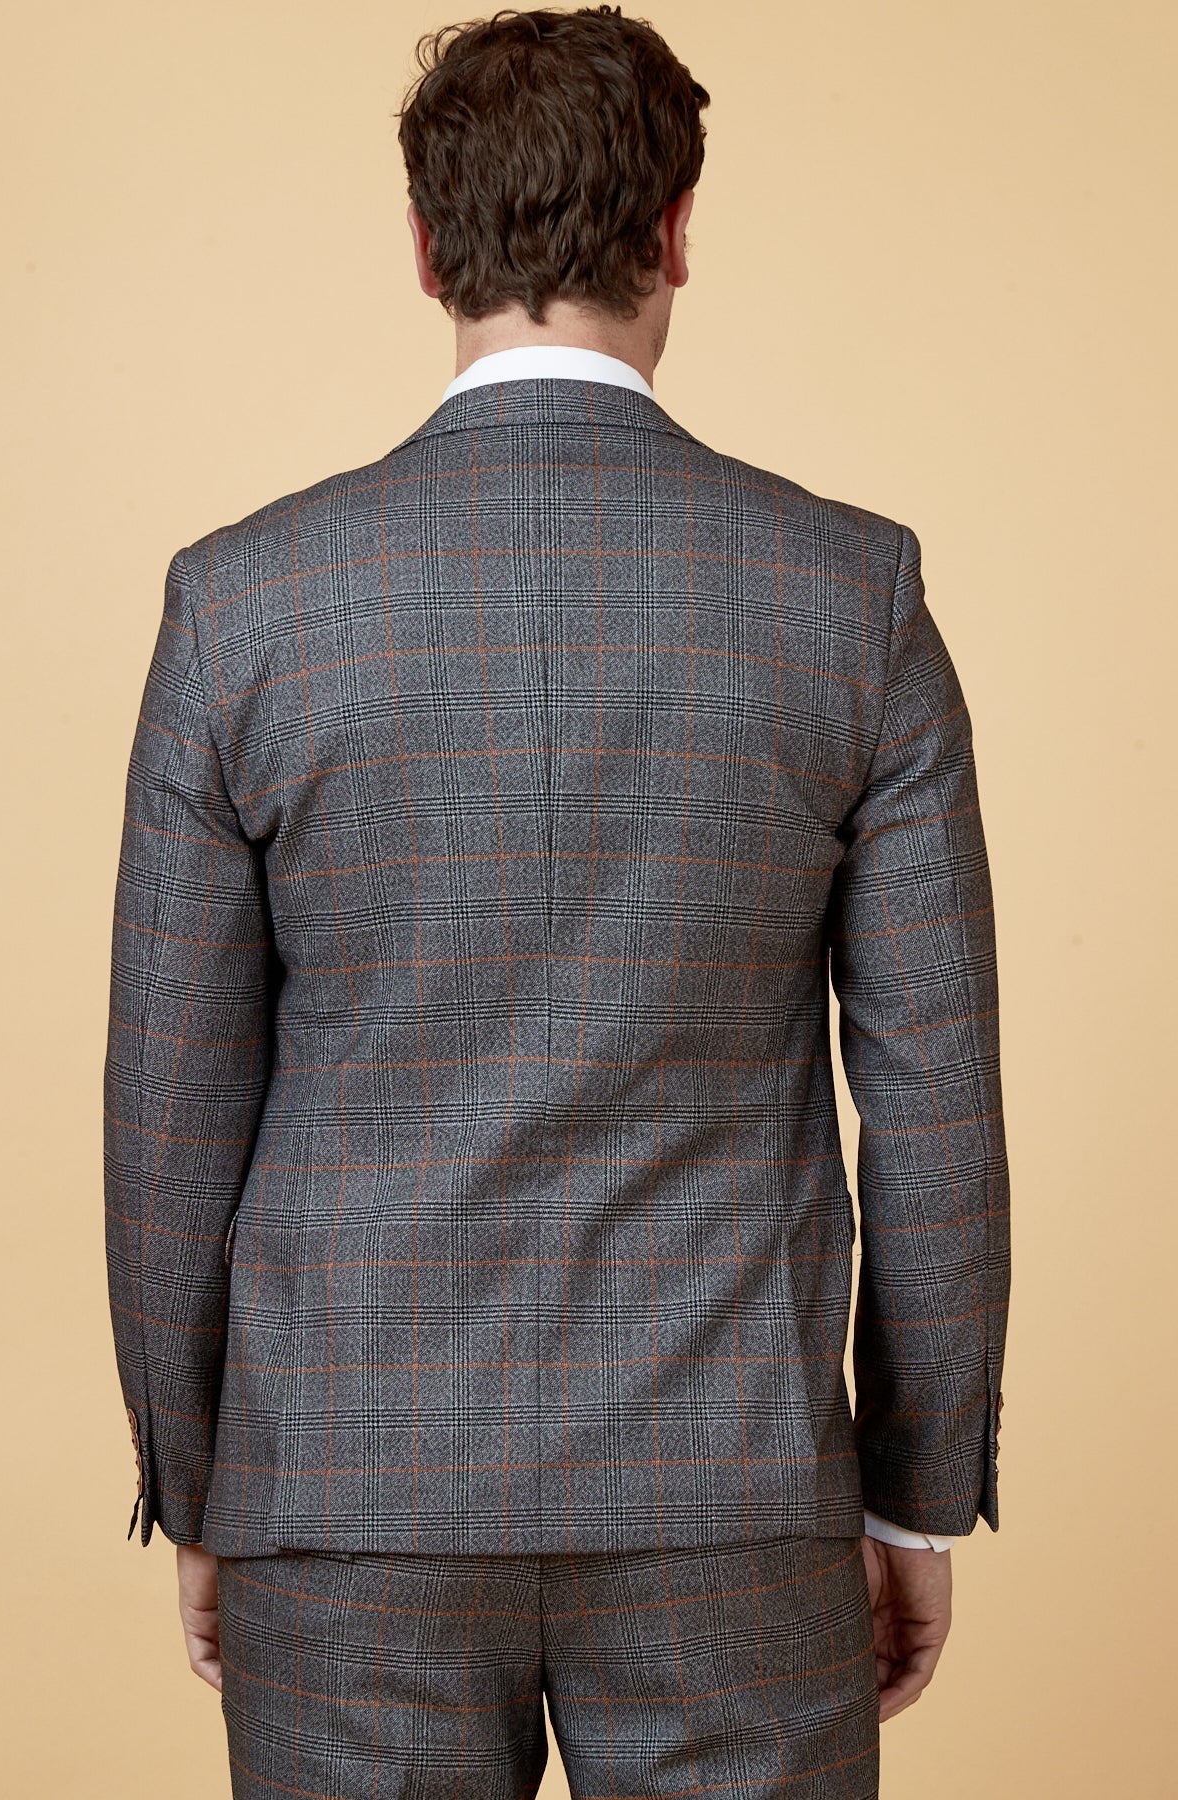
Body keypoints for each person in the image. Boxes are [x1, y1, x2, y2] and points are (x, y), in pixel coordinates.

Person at [104, 8, 1010, 1795]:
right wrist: (915, 1492)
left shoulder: (243, 608)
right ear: (675, 232)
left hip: (343, 1502)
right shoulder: (851, 599)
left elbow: (171, 1111)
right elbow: (935, 1103)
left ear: (424, 247)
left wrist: (204, 1486)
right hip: (733, 1496)